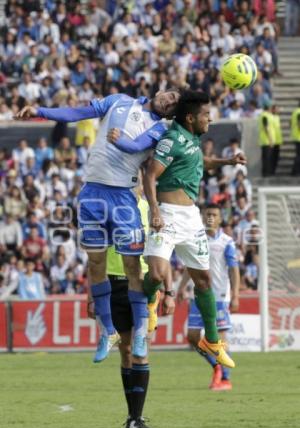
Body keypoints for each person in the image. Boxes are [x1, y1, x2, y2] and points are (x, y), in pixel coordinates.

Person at [16, 89, 180, 362]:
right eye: (171, 95)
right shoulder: (118, 101)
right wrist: (40, 111)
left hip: (122, 197)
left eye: (174, 104)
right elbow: (80, 112)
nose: (170, 101)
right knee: (95, 264)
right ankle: (107, 331)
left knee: (131, 266)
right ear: (161, 90)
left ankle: (140, 330)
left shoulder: (160, 130)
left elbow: (135, 145)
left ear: (172, 114)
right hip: (91, 193)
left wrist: (121, 140)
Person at [142, 90, 246, 368]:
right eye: (205, 115)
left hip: (191, 218)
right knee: (155, 273)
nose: (209, 119)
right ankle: (150, 301)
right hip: (166, 214)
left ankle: (212, 340)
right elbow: (150, 174)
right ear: (190, 117)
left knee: (204, 281)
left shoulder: (192, 138)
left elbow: (201, 162)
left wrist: (228, 162)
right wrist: (153, 210)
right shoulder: (172, 139)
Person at [87, 194, 175, 428]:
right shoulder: (107, 207)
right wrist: (91, 295)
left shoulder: (151, 208)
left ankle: (137, 417)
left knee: (141, 347)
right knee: (125, 351)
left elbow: (162, 251)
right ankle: (131, 417)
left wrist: (169, 291)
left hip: (142, 285)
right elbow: (95, 255)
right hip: (112, 285)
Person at [177, 203, 240, 391]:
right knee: (193, 336)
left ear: (220, 219)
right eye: (207, 214)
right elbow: (191, 267)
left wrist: (235, 295)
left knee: (219, 339)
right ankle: (216, 367)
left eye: (214, 214)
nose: (210, 217)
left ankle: (225, 379)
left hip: (220, 296)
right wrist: (181, 287)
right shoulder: (197, 240)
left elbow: (234, 270)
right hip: (199, 295)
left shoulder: (227, 242)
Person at [258, 100, 275, 177]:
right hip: (266, 140)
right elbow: (266, 127)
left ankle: (266, 173)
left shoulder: (264, 115)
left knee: (266, 158)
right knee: (267, 158)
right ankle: (266, 173)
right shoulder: (265, 115)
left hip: (265, 140)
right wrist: (270, 139)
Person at [271, 104, 282, 175]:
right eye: (276, 109)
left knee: (276, 157)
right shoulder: (270, 117)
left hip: (277, 141)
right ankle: (271, 171)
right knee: (272, 157)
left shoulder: (278, 117)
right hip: (272, 141)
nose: (277, 110)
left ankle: (273, 171)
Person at [290, 101, 300, 176]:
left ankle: (294, 171)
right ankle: (295, 172)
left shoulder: (295, 112)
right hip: (299, 137)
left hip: (296, 136)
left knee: (298, 155)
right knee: (298, 155)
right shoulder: (299, 112)